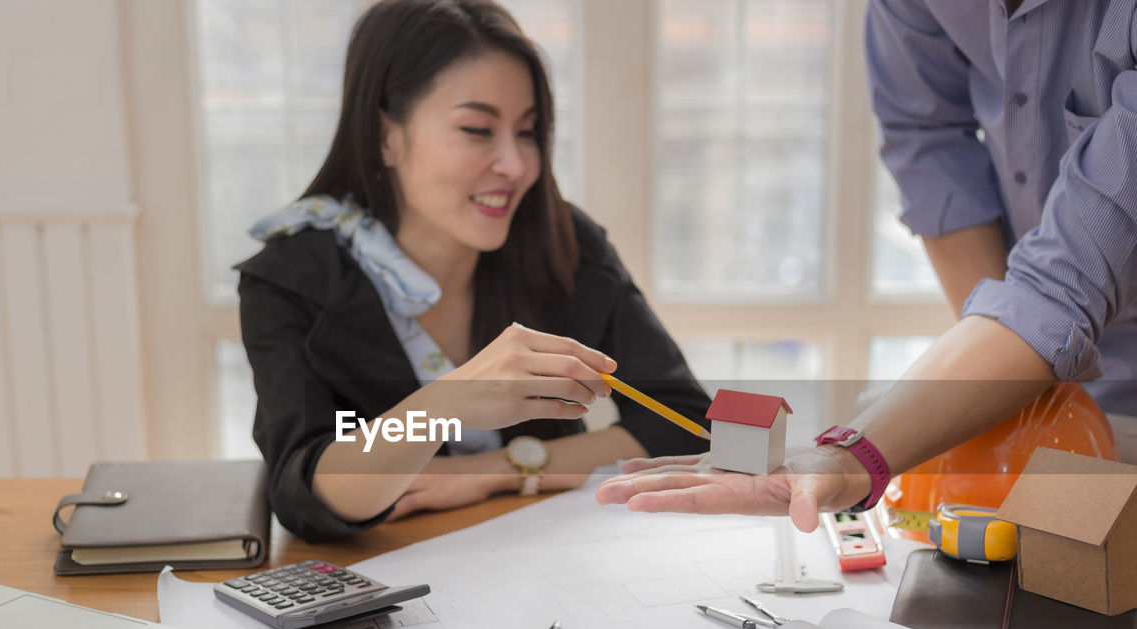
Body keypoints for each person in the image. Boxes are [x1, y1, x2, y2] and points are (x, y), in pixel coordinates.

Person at [597, 0, 1137, 530]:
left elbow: (1061, 284)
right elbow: (928, 143)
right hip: (1035, 334)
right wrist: (1003, 378)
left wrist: (850, 457)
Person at [238, 0, 709, 542]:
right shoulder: (288, 276)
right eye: (477, 129)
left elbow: (687, 421)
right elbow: (306, 494)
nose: (515, 164)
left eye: (528, 131)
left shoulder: (564, 239)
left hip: (538, 559)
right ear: (384, 136)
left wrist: (493, 473)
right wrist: (443, 403)